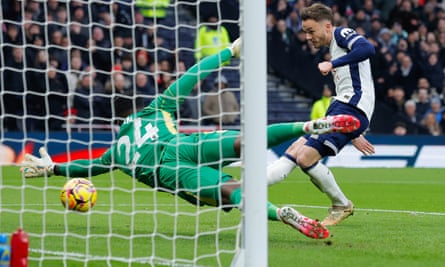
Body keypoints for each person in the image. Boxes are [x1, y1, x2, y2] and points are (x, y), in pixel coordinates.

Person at [20, 39, 359, 239]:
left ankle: (281, 212)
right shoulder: (153, 111)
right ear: (133, 111)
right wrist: (229, 51)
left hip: (170, 173)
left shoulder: (116, 154)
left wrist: (53, 170)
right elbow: (189, 78)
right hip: (183, 144)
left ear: (116, 122)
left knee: (235, 194)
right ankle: (308, 126)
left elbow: (89, 166)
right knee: (246, 140)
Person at [266, 3, 376, 226]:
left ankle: (341, 204)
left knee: (305, 157)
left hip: (350, 107)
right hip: (342, 108)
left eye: (310, 31)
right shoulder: (335, 45)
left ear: (327, 26)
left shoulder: (341, 33)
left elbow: (367, 49)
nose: (307, 36)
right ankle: (251, 185)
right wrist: (354, 132)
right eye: (305, 31)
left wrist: (332, 63)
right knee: (294, 150)